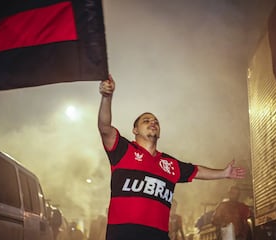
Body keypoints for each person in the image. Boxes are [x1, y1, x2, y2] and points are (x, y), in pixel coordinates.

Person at [98, 74, 246, 240]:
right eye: (146, 121)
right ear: (135, 130)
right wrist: (106, 97)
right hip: (124, 234)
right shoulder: (124, 150)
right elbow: (105, 127)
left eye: (156, 121)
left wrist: (224, 173)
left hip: (158, 236)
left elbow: (196, 171)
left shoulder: (169, 164)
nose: (153, 123)